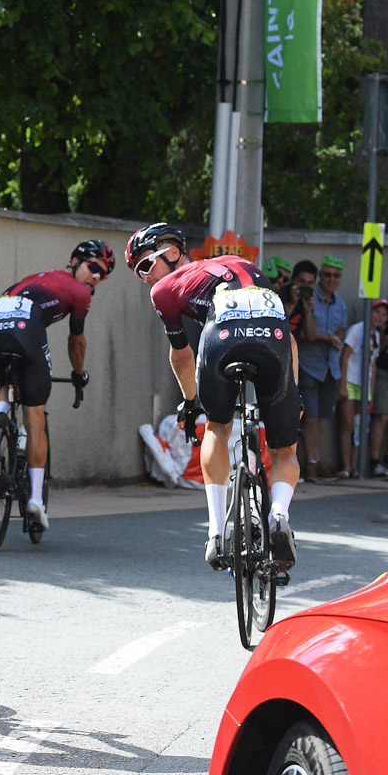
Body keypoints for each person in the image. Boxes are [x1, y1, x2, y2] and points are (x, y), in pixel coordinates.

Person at [126, 223, 300, 572]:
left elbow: (181, 354)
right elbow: (291, 343)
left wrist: (192, 404)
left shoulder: (164, 289)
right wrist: (293, 393)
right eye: (137, 271)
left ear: (173, 253)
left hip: (222, 336)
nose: (144, 277)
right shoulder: (245, 266)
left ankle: (217, 532)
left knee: (217, 428)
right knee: (285, 450)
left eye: (146, 266)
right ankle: (279, 514)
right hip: (274, 335)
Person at [0, 239, 112, 531]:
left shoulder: (32, 280)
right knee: (34, 414)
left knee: (5, 375)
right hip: (27, 327)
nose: (96, 277)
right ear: (75, 263)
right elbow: (76, 341)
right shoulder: (79, 293)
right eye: (93, 268)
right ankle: (36, 502)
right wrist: (79, 374)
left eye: (103, 275)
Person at [298, 256, 350, 480]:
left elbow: (341, 329)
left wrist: (337, 338)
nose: (331, 279)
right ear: (321, 276)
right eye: (327, 275)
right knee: (308, 417)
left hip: (330, 368)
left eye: (336, 276)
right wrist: (327, 339)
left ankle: (315, 459)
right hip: (308, 364)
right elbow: (302, 333)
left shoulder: (340, 304)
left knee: (319, 418)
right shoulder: (309, 297)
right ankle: (310, 466)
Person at [337, 300, 388, 477]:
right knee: (347, 423)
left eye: (383, 315)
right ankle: (345, 467)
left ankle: (355, 467)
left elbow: (373, 364)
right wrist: (343, 384)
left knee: (361, 428)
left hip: (364, 385)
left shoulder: (376, 336)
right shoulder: (358, 329)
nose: (378, 317)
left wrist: (372, 390)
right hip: (351, 381)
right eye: (377, 312)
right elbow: (344, 356)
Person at [374, 298, 388, 478]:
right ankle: (374, 462)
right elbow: (375, 344)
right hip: (383, 370)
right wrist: (387, 339)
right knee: (382, 415)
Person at [278, 260, 317, 334]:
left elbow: (310, 337)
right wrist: (292, 303)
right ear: (292, 279)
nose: (305, 286)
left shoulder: (309, 297)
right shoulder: (281, 293)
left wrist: (308, 311)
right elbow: (276, 324)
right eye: (301, 281)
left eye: (310, 283)